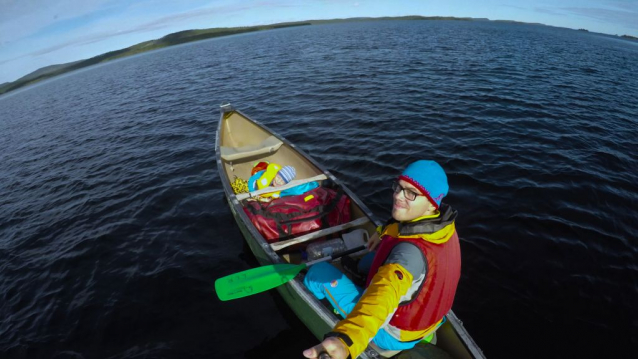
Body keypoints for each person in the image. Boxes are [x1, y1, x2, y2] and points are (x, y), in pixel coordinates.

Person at [302, 160, 461, 359]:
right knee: (370, 259)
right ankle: (356, 274)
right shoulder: (443, 225)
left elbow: (382, 296)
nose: (398, 196)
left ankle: (327, 308)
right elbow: (405, 226)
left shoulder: (407, 256)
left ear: (431, 204)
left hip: (393, 334)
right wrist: (383, 232)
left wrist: (347, 339)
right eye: (399, 187)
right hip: (429, 322)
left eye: (411, 193)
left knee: (318, 272)